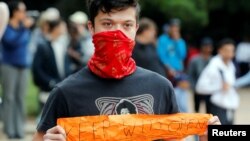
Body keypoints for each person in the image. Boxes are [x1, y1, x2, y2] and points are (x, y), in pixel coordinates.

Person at [32, 0, 220, 141]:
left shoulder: (161, 87)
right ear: (91, 28)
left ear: (136, 29)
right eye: (107, 24)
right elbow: (41, 137)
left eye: (127, 25)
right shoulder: (65, 92)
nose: (117, 33)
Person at [0, 1, 33, 139]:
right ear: (14, 12)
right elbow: (11, 42)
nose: (24, 14)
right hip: (9, 65)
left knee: (20, 98)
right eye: (22, 10)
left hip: (23, 66)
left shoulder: (23, 28)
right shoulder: (6, 27)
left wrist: (23, 29)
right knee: (9, 98)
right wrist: (23, 29)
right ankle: (9, 129)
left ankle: (19, 128)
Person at [32, 18, 71, 112]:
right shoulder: (43, 45)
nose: (65, 29)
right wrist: (49, 82)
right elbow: (36, 68)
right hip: (47, 89)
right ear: (56, 28)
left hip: (61, 86)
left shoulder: (62, 44)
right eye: (63, 26)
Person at [196, 38, 237, 125]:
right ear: (220, 51)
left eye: (231, 50)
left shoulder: (231, 65)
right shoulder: (213, 66)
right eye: (227, 50)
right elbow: (199, 87)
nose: (229, 53)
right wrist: (219, 87)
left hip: (230, 106)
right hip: (217, 107)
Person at [157, 18, 187, 84]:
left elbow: (182, 56)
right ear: (169, 28)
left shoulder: (181, 41)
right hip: (166, 70)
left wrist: (177, 42)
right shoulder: (162, 39)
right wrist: (168, 68)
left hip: (178, 71)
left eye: (177, 27)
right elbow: (161, 55)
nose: (175, 29)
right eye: (173, 27)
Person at [188, 37, 214, 113]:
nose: (207, 49)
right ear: (202, 47)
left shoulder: (214, 60)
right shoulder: (195, 60)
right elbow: (190, 74)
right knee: (197, 110)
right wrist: (193, 87)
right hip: (197, 89)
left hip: (210, 90)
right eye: (206, 46)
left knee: (209, 111)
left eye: (209, 47)